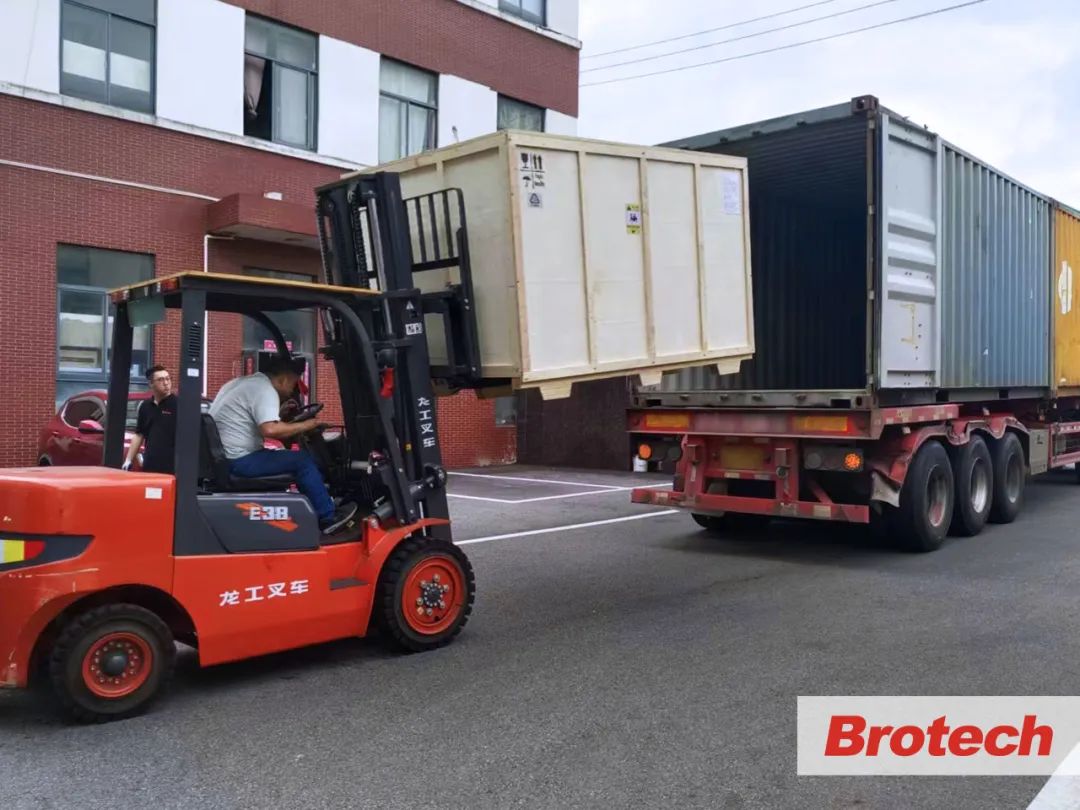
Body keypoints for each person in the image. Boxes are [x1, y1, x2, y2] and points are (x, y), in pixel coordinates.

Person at [209, 355, 357, 534]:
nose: (291, 391)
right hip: (239, 460)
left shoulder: (241, 383)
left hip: (226, 458)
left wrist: (279, 414)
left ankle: (319, 505)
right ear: (284, 378)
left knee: (293, 457)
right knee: (302, 461)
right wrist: (308, 425)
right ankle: (328, 517)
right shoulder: (265, 390)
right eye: (293, 384)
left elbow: (256, 420)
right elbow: (270, 430)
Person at [123, 365, 177, 474]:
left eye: (168, 378)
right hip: (150, 464)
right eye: (161, 380)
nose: (166, 383)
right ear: (151, 384)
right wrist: (128, 460)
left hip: (172, 467)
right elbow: (139, 434)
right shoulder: (145, 406)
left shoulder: (178, 405)